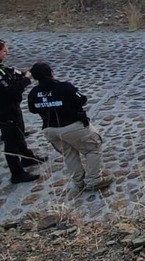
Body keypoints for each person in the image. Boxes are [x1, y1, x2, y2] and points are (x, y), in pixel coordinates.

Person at [27, 63, 113, 196]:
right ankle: (93, 180)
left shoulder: (33, 93)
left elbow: (32, 109)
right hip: (72, 126)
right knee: (92, 149)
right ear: (51, 72)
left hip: (50, 130)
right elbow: (82, 100)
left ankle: (78, 182)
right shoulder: (64, 87)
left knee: (69, 154)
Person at [0, 39, 46, 184]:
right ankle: (17, 173)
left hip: (10, 106)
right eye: (4, 51)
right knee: (11, 141)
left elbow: (11, 73)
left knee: (19, 133)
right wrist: (27, 80)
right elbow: (10, 91)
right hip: (3, 109)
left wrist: (25, 74)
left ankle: (27, 158)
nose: (7, 53)